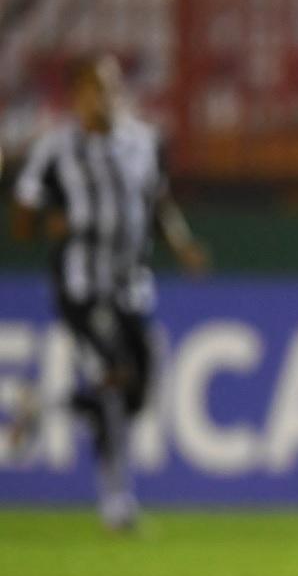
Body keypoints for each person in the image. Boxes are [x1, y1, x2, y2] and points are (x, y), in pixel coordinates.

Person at [9, 55, 209, 530]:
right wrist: (46, 224)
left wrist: (181, 244)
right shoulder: (55, 150)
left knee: (138, 390)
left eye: (112, 87)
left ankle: (46, 406)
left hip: (130, 286)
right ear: (75, 96)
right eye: (94, 88)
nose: (105, 97)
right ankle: (117, 502)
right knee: (116, 376)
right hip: (81, 285)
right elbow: (22, 212)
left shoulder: (142, 142)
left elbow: (158, 201)